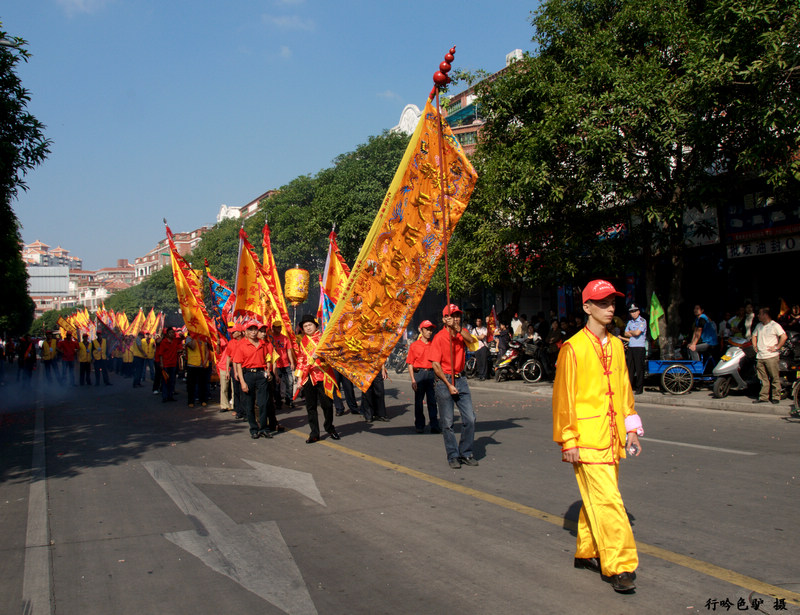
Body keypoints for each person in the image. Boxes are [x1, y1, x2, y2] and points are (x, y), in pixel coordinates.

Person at [553, 279, 643, 594]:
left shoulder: (618, 345)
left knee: (600, 498)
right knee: (610, 500)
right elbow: (564, 398)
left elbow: (625, 391)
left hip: (614, 435)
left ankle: (587, 550)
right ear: (587, 307)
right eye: (602, 303)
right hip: (586, 438)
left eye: (612, 302)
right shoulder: (573, 348)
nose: (610, 308)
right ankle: (619, 565)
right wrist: (569, 440)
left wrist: (631, 429)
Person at [429, 304, 479, 469]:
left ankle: (466, 452)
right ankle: (453, 455)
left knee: (470, 418)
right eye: (452, 316)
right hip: (444, 381)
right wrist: (448, 384)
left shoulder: (461, 334)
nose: (455, 318)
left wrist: (457, 328)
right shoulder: (438, 338)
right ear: (444, 319)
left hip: (461, 379)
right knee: (448, 422)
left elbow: (472, 341)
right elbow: (436, 365)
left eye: (457, 316)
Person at [296, 315, 339, 443]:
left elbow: (334, 354)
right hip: (308, 376)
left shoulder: (323, 338)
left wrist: (321, 355)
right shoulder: (303, 341)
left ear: (315, 325)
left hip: (324, 375)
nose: (308, 328)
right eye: (305, 326)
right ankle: (314, 433)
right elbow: (300, 360)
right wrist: (299, 378)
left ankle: (330, 428)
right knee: (311, 406)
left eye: (310, 325)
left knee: (327, 405)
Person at [232, 321, 276, 439]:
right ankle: (253, 429)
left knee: (263, 403)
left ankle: (264, 428)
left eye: (255, 329)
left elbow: (268, 357)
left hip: (261, 375)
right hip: (248, 375)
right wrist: (242, 381)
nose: (253, 332)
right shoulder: (241, 345)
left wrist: (268, 370)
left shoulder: (262, 343)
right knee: (249, 404)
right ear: (245, 332)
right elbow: (238, 364)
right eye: (250, 330)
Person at [406, 320, 440, 434]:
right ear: (421, 330)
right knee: (419, 402)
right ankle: (420, 424)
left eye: (431, 329)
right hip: (419, 375)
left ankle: (434, 425)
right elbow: (410, 364)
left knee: (432, 401)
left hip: (431, 374)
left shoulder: (434, 344)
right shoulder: (414, 346)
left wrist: (437, 377)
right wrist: (413, 380)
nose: (429, 332)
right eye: (427, 329)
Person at [751, 306, 787, 405]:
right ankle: (763, 397)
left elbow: (783, 336)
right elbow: (754, 335)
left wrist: (776, 347)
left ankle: (776, 396)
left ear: (765, 315)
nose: (758, 316)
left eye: (760, 314)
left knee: (774, 377)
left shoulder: (774, 325)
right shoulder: (759, 326)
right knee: (763, 378)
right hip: (760, 356)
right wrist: (755, 346)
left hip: (771, 356)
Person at [270, 320, 296, 410]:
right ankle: (278, 402)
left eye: (280, 327)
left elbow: (289, 350)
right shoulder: (271, 339)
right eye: (277, 327)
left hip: (286, 364)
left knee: (290, 382)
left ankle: (289, 400)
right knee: (277, 385)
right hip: (276, 365)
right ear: (273, 328)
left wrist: (292, 362)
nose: (279, 329)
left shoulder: (285, 338)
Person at [623, 303, 647, 395]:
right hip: (631, 346)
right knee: (630, 368)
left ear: (638, 312)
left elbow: (637, 333)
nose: (633, 313)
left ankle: (639, 388)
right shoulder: (630, 322)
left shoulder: (642, 321)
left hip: (639, 347)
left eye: (634, 311)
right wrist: (632, 332)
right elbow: (625, 333)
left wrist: (631, 332)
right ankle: (629, 387)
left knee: (639, 368)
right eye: (631, 312)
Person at [155, 328, 182, 402]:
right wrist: (161, 364)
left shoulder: (175, 341)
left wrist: (181, 335)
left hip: (173, 364)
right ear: (167, 334)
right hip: (166, 364)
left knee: (172, 381)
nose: (172, 334)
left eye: (173, 332)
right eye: (170, 333)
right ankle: (165, 396)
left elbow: (182, 338)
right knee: (165, 381)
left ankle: (170, 396)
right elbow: (160, 354)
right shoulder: (164, 342)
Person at [185, 334, 211, 407]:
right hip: (192, 364)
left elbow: (207, 351)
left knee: (202, 384)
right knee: (191, 384)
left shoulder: (203, 338)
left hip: (201, 365)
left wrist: (205, 361)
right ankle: (191, 401)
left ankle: (203, 400)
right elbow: (193, 347)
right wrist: (194, 337)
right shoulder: (188, 338)